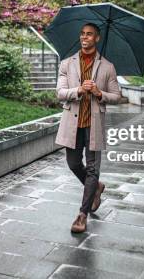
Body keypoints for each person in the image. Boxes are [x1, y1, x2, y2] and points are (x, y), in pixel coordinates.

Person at [55, 23, 122, 233]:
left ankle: (82, 215)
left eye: (89, 34)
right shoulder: (67, 64)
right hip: (73, 124)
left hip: (94, 124)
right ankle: (96, 188)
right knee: (73, 163)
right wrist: (79, 90)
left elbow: (117, 97)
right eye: (82, 34)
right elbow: (60, 92)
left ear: (97, 38)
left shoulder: (108, 67)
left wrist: (99, 92)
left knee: (92, 168)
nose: (85, 37)